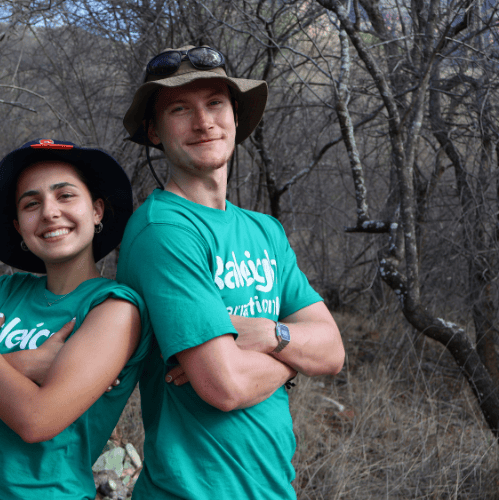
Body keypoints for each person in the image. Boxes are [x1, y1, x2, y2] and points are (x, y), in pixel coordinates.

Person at [117, 45, 346, 499]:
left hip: (273, 487)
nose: (203, 122)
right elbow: (226, 385)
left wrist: (266, 335)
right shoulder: (163, 230)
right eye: (180, 109)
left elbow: (333, 351)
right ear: (154, 132)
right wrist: (291, 354)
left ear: (235, 115)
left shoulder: (264, 230)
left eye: (215, 103)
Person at [0, 138, 152, 500]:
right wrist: (27, 364)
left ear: (97, 210)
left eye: (65, 195)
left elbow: (35, 420)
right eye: (32, 203)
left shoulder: (113, 308)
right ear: (19, 226)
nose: (49, 212)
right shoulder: (8, 290)